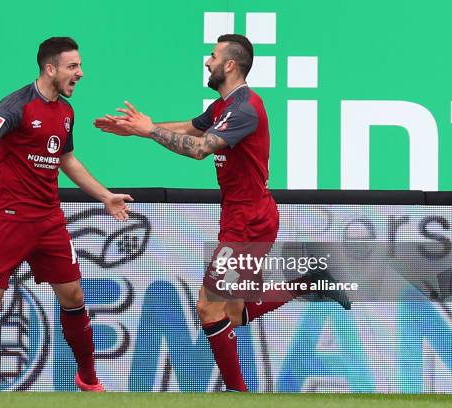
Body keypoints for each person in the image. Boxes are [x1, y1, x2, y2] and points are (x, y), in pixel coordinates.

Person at [95, 34, 349, 392]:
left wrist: (150, 129)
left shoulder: (246, 108)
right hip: (243, 215)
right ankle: (310, 282)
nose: (207, 61)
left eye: (212, 56)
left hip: (248, 220)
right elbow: (189, 128)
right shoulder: (223, 106)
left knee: (208, 308)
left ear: (230, 65)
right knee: (234, 313)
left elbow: (200, 149)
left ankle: (236, 394)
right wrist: (137, 132)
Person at [0, 36, 133, 392]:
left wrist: (104, 196)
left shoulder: (67, 112)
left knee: (73, 296)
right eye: (73, 67)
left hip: (49, 220)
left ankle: (89, 380)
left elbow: (66, 159)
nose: (80, 73)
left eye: (80, 66)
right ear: (50, 69)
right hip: (7, 216)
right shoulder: (15, 106)